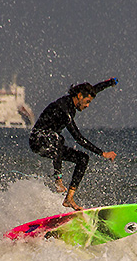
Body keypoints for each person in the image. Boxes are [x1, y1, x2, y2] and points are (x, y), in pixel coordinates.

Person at [29, 78, 118, 211]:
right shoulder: (64, 109)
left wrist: (109, 83)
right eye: (87, 102)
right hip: (38, 140)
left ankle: (69, 198)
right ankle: (58, 179)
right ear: (79, 96)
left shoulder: (76, 101)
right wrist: (102, 153)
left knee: (83, 158)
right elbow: (78, 138)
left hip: (53, 144)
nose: (88, 105)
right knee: (58, 138)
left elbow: (95, 89)